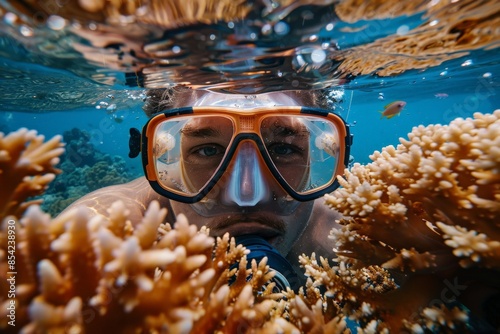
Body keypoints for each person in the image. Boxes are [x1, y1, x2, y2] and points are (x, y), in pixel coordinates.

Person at [63, 87, 353, 287]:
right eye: (207, 151)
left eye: (283, 149)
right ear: (166, 160)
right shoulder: (102, 241)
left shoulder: (353, 241)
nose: (246, 197)